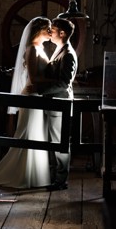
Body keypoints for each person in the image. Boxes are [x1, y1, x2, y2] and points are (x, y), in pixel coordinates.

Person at [0, 16, 53, 188]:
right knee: (27, 133)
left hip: (37, 95)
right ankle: (21, 174)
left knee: (36, 134)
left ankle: (33, 175)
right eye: (48, 28)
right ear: (39, 30)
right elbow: (33, 76)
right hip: (30, 96)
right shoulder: (32, 49)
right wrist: (52, 81)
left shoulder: (40, 48)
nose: (51, 32)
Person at [35, 17, 78, 191]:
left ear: (62, 33)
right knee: (54, 144)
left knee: (60, 145)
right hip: (54, 104)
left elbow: (64, 84)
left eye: (54, 28)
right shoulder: (60, 50)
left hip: (61, 105)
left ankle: (61, 181)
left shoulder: (68, 55)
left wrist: (40, 91)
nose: (50, 30)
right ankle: (54, 178)